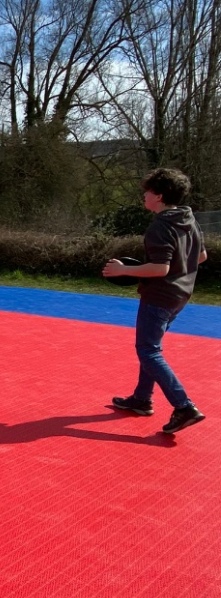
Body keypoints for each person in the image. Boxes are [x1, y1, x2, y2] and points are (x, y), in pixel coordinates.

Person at [103, 167, 208, 434]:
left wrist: (123, 270)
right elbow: (201, 256)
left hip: (160, 296)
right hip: (181, 294)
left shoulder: (160, 227)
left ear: (159, 196)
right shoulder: (189, 219)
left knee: (148, 351)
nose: (144, 196)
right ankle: (141, 399)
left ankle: (183, 406)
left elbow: (159, 269)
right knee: (151, 348)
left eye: (147, 191)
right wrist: (178, 269)